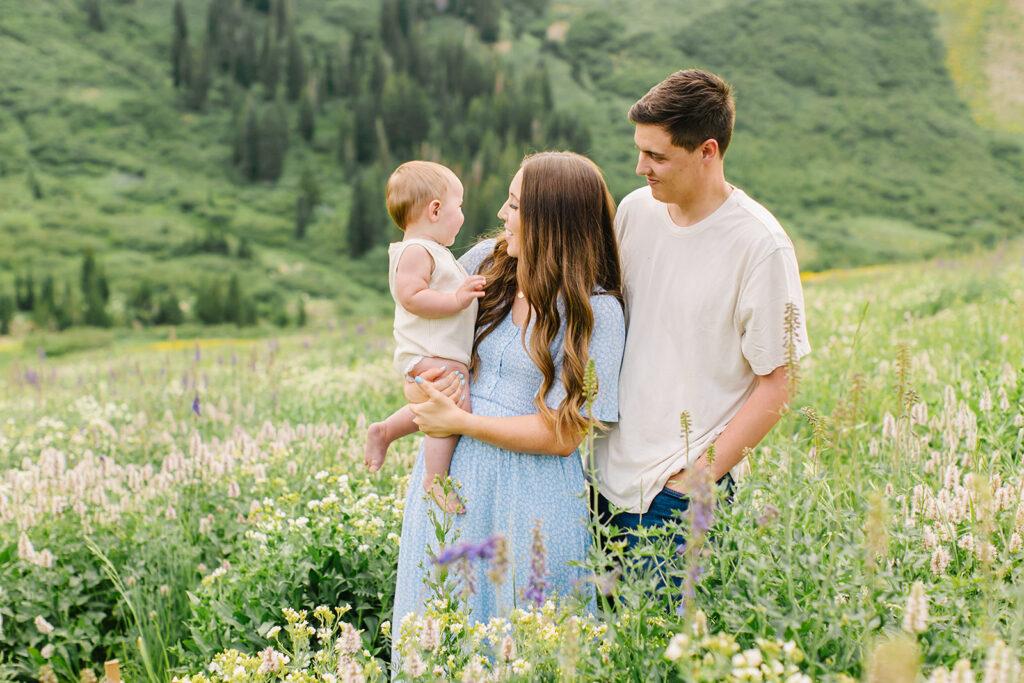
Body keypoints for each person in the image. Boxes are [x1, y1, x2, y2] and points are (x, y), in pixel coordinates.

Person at [391, 152, 625, 643]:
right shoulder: (485, 265)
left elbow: (564, 434)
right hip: (448, 484)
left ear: (549, 220)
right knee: (436, 641)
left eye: (515, 205)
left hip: (532, 499)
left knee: (525, 644)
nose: (501, 213)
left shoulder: (597, 313)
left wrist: (459, 420)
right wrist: (420, 393)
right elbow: (422, 337)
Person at [594, 69, 811, 547]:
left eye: (656, 156)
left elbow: (782, 378)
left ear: (707, 151)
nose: (640, 167)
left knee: (666, 626)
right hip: (599, 481)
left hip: (674, 499)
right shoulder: (634, 211)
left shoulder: (760, 245)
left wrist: (698, 478)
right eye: (639, 150)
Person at [364, 161, 485, 514]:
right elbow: (412, 298)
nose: (462, 214)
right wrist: (457, 299)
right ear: (435, 209)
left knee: (433, 407)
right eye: (458, 206)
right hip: (428, 355)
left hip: (436, 356)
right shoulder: (416, 251)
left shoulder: (434, 251)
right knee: (451, 412)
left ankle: (385, 431)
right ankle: (435, 478)